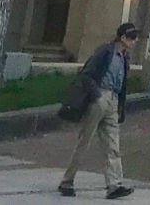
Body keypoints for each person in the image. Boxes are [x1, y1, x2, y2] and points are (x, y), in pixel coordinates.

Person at [58, 21, 139, 200]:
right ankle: (67, 181)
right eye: (132, 37)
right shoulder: (105, 51)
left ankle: (114, 184)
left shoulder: (124, 57)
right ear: (122, 38)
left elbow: (122, 84)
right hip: (100, 96)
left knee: (113, 144)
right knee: (84, 141)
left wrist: (119, 106)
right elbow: (86, 74)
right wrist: (97, 95)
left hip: (113, 100)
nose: (135, 41)